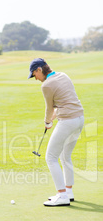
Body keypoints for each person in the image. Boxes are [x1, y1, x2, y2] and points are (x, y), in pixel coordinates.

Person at [28, 58, 84, 206]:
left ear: (39, 69)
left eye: (34, 75)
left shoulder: (46, 85)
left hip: (67, 121)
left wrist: (47, 121)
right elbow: (62, 103)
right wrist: (51, 120)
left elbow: (49, 108)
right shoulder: (63, 75)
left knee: (51, 157)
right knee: (65, 156)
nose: (35, 79)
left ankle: (62, 195)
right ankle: (68, 191)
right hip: (79, 119)